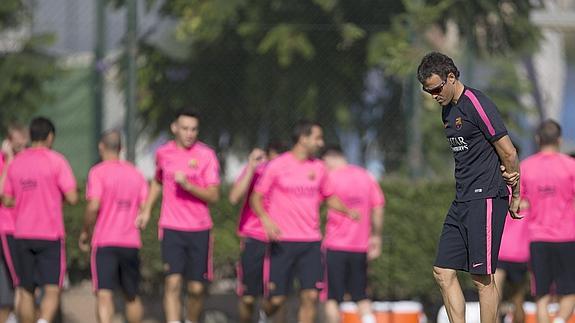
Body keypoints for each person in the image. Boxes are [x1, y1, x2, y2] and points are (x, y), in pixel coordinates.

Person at [417, 52, 521, 323]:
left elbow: (508, 153)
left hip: (486, 197)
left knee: (482, 278)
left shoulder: (477, 103)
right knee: (442, 272)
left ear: (451, 78)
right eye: (429, 92)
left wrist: (516, 194)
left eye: (437, 88)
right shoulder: (447, 110)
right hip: (462, 198)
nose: (434, 95)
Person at [251, 120, 359, 323]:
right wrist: (265, 220)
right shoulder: (277, 166)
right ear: (303, 138)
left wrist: (348, 211)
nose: (321, 143)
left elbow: (329, 196)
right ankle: (265, 311)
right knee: (277, 300)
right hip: (281, 242)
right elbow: (255, 198)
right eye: (317, 138)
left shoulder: (318, 168)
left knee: (310, 297)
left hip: (310, 243)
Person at [139, 109, 220, 323]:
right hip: (171, 227)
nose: (189, 133)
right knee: (172, 282)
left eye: (194, 129)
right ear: (175, 128)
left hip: (199, 229)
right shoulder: (163, 153)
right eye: (185, 128)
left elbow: (213, 195)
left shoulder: (206, 155)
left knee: (196, 288)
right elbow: (158, 180)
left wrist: (189, 186)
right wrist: (146, 209)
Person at [2, 117, 78, 323]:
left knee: (26, 289)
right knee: (53, 288)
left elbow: (7, 199)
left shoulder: (17, 163)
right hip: (50, 235)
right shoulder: (56, 161)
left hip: (22, 234)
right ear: (50, 136)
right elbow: (72, 197)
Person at [78, 130, 148, 323]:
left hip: (105, 242)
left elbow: (93, 206)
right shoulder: (136, 173)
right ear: (121, 148)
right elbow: (144, 208)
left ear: (101, 146)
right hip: (130, 242)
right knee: (131, 295)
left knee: (104, 294)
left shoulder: (97, 172)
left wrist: (85, 231)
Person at [321, 146, 385, 323]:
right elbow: (378, 208)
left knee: (332, 298)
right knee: (361, 296)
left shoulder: (329, 178)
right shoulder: (366, 176)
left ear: (329, 159)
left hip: (335, 246)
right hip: (360, 246)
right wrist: (376, 237)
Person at [521, 120, 575, 323]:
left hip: (538, 239)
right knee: (570, 291)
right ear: (559, 140)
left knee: (541, 295)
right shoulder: (571, 166)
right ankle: (560, 321)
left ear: (538, 139)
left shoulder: (526, 166)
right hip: (567, 237)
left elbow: (520, 202)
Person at [228, 143, 287, 323]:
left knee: (278, 297)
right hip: (254, 237)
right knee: (248, 298)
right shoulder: (256, 170)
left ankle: (265, 316)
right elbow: (233, 198)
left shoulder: (290, 175)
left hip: (281, 240)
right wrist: (251, 168)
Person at [0, 124, 28, 323]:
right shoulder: (4, 161)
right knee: (19, 283)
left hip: (29, 229)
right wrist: (9, 161)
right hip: (8, 228)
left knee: (24, 284)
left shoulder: (29, 161)